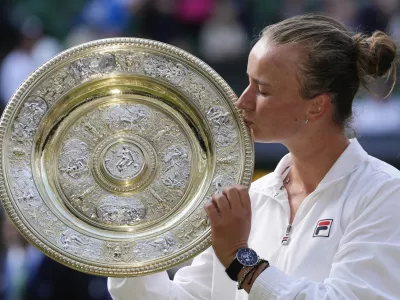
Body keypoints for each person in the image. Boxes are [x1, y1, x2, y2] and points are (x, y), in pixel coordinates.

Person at [108, 13, 400, 299]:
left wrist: (239, 258)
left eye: (262, 90)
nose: (242, 101)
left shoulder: (385, 193)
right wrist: (132, 226)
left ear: (316, 106)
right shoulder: (250, 198)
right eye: (248, 83)